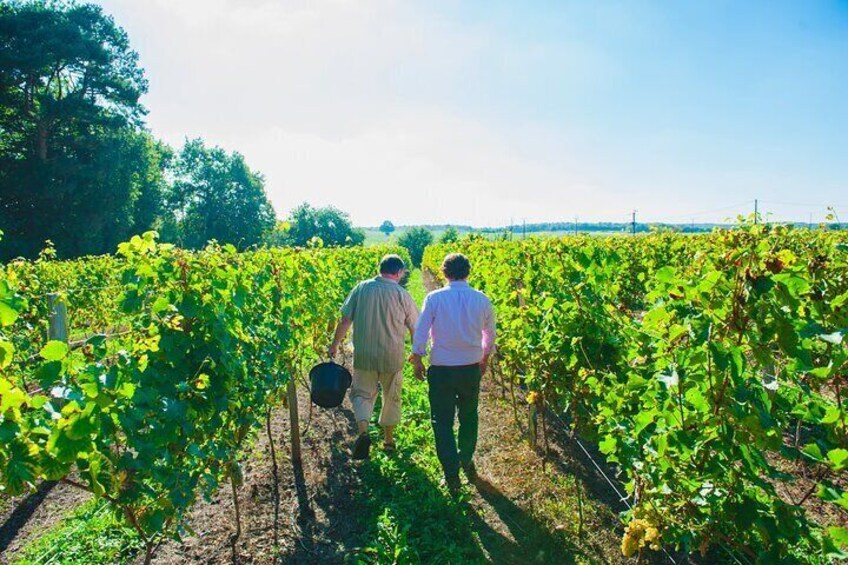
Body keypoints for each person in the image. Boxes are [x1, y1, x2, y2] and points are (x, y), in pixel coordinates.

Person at [410, 253, 496, 495]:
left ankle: (451, 473)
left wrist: (417, 357)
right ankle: (466, 458)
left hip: (441, 369)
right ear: (468, 272)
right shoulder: (482, 299)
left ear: (444, 272)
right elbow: (489, 334)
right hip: (470, 368)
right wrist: (484, 358)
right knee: (469, 416)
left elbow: (422, 330)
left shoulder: (435, 298)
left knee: (442, 420)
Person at [328, 254, 419, 460]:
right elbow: (415, 326)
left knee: (362, 394)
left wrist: (335, 344)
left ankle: (363, 432)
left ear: (381, 269)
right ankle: (388, 441)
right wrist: (416, 353)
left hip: (364, 354)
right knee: (391, 396)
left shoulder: (361, 288)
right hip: (391, 356)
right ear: (398, 273)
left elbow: (345, 319)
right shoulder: (401, 294)